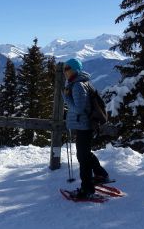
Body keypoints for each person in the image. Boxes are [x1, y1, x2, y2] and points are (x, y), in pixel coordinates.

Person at [61, 58, 109, 199]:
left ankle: (86, 189)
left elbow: (79, 109)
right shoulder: (78, 83)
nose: (65, 71)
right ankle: (100, 174)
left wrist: (66, 97)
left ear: (75, 69)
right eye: (64, 68)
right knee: (85, 154)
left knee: (83, 157)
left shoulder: (77, 86)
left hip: (84, 126)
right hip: (83, 125)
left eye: (67, 68)